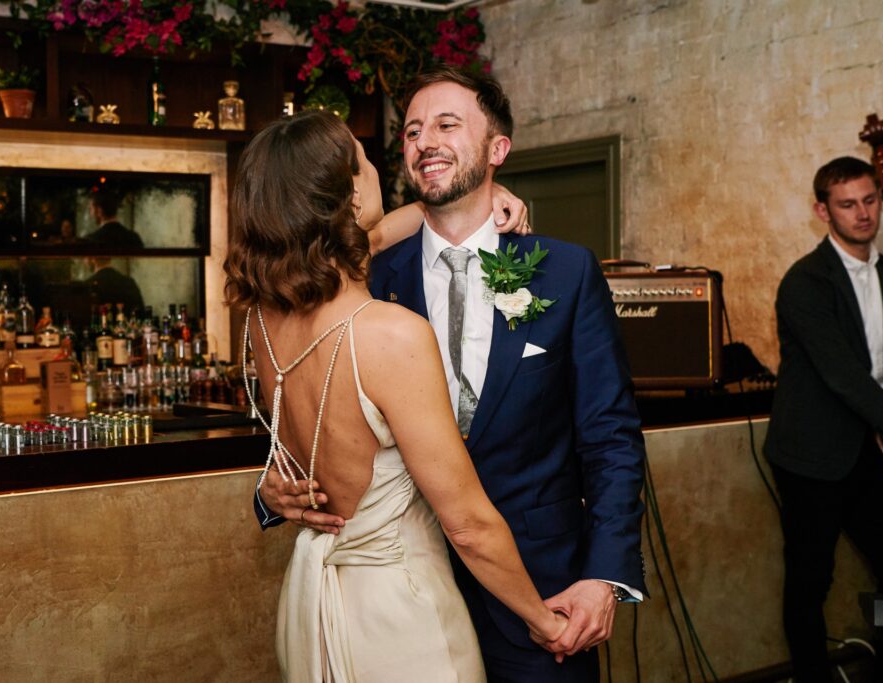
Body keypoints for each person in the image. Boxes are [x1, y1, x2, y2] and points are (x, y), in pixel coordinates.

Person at [258, 66, 648, 682]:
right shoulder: (362, 283)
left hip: (542, 585)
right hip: (404, 592)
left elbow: (611, 438)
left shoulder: (566, 273)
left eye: (446, 124)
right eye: (412, 131)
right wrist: (273, 489)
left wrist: (605, 575)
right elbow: (314, 420)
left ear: (498, 149)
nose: (425, 141)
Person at [227, 110, 567, 682]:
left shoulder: (262, 317)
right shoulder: (390, 333)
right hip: (402, 615)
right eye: (365, 161)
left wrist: (486, 191)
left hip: (316, 605)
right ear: (351, 193)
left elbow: (385, 230)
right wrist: (543, 620)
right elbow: (467, 524)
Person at [763, 156, 883, 683]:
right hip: (811, 455)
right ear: (823, 211)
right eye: (848, 204)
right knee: (810, 579)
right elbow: (845, 378)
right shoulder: (804, 283)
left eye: (871, 200)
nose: (863, 213)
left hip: (872, 451)